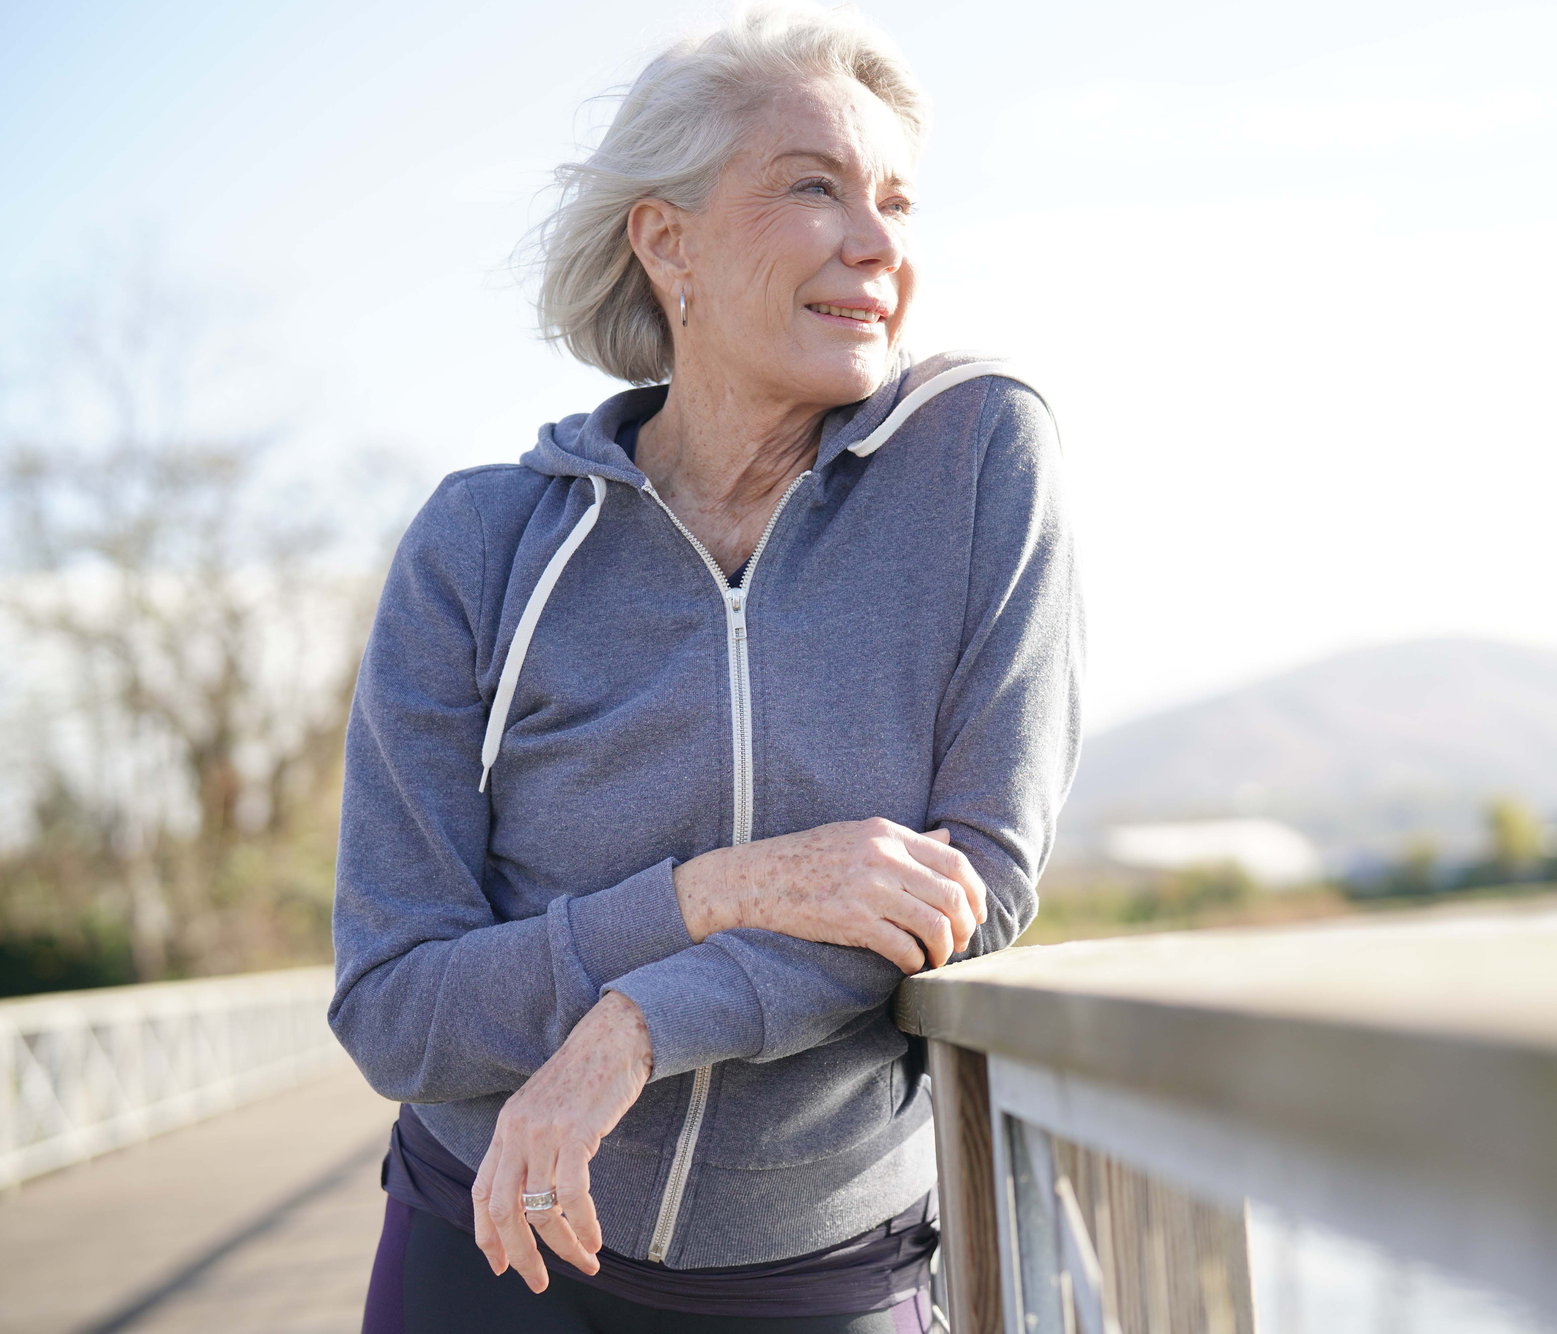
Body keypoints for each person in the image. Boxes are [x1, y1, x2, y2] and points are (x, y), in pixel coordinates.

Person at [328, 5, 1082, 1331]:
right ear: (666, 240)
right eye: (814, 186)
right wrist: (714, 895)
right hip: (490, 1240)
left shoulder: (976, 459)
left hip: (815, 1273)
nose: (877, 243)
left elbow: (976, 881)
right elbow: (395, 1008)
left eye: (898, 201)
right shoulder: (481, 543)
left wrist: (638, 1023)